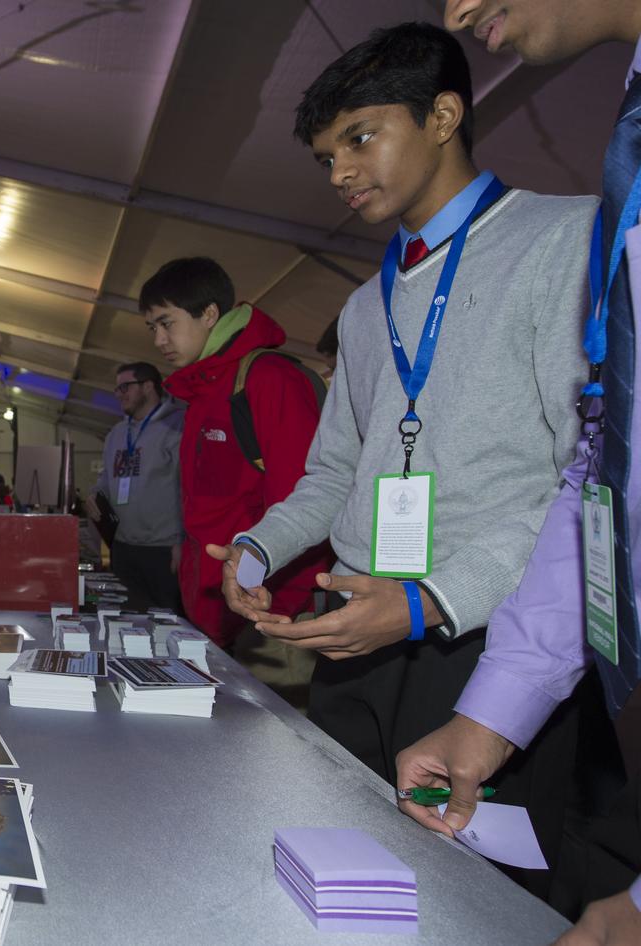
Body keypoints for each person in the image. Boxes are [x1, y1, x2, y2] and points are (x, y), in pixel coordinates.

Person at [211, 21, 606, 898]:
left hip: (487, 646)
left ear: (443, 115)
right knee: (339, 881)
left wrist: (434, 601)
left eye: (360, 137)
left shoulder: (563, 241)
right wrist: (260, 547)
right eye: (326, 157)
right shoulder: (362, 309)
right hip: (358, 638)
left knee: (474, 898)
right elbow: (332, 474)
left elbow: (577, 479)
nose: (343, 173)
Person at [395, 4, 641, 942]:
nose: (456, 10)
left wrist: (432, 604)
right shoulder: (628, 141)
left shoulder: (557, 232)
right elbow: (603, 468)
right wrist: (493, 715)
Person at [139, 257, 330, 648]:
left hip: (265, 617)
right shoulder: (203, 392)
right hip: (213, 613)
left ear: (209, 314)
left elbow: (307, 502)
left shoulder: (268, 380)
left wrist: (276, 614)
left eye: (166, 323)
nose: (158, 340)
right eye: (152, 327)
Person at [87, 362, 184, 611]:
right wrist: (95, 495)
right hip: (123, 549)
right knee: (128, 624)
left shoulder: (176, 427)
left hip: (162, 550)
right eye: (117, 389)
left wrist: (182, 542)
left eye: (125, 387)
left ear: (148, 386)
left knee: (166, 623)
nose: (119, 394)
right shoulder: (117, 434)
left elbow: (189, 489)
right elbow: (106, 478)